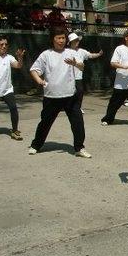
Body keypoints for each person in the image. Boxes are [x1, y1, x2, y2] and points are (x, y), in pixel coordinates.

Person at [29, 26, 91, 158]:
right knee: (45, 122)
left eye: (63, 38)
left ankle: (79, 148)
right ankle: (36, 145)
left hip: (70, 95)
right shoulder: (46, 55)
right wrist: (39, 80)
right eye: (58, 38)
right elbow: (34, 70)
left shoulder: (71, 53)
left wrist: (76, 64)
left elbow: (82, 66)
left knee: (78, 122)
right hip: (52, 95)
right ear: (52, 39)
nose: (61, 41)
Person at [68, 32, 103, 113]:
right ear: (70, 42)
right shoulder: (66, 51)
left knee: (79, 93)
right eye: (75, 40)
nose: (77, 42)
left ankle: (77, 108)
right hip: (68, 78)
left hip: (78, 77)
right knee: (69, 94)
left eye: (78, 40)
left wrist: (98, 54)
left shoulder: (82, 51)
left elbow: (90, 55)